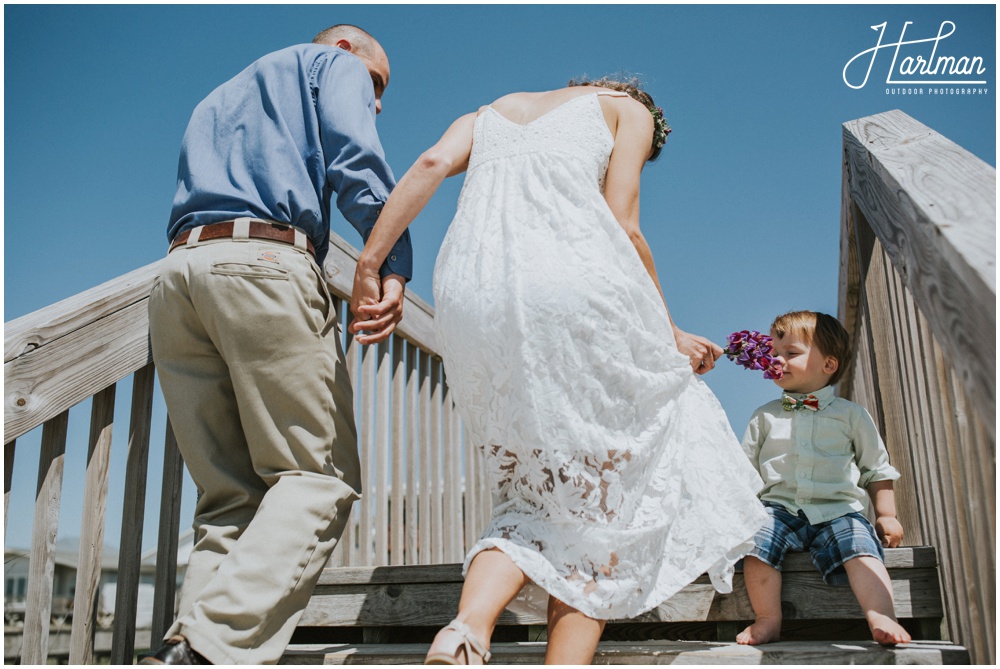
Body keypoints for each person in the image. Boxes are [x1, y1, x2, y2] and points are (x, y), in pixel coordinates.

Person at [349, 78, 768, 664]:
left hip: (471, 295)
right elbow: (623, 222)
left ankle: (467, 627)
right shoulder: (630, 111)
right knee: (607, 504)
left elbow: (430, 162)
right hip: (573, 288)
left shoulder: (488, 111)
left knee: (529, 496)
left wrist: (371, 261)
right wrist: (668, 332)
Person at [144, 24, 411, 665]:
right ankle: (213, 649)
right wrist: (391, 259)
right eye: (376, 84)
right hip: (265, 265)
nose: (375, 102)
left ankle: (190, 647)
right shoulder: (328, 66)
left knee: (230, 497)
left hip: (178, 280)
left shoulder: (216, 100)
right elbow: (358, 163)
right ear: (345, 50)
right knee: (320, 476)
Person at [736, 311, 911, 647]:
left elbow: (876, 468)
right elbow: (745, 472)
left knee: (861, 548)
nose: (777, 360)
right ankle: (768, 618)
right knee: (755, 544)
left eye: (791, 353)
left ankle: (882, 615)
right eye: (773, 352)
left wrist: (886, 514)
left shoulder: (851, 415)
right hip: (779, 508)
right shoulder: (765, 416)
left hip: (838, 510)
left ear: (829, 365)